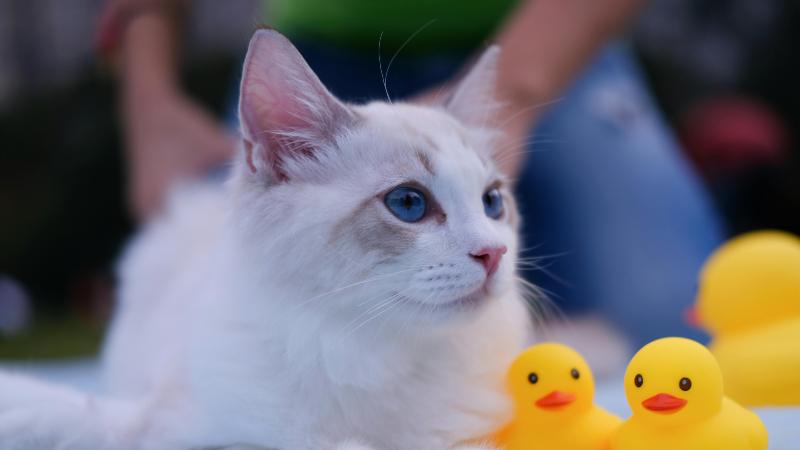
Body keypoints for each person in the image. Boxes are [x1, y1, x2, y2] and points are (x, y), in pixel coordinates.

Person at [96, 0, 723, 346]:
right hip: (311, 66)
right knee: (188, 289)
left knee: (675, 326)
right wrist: (147, 101)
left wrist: (515, 89)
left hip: (542, 38)